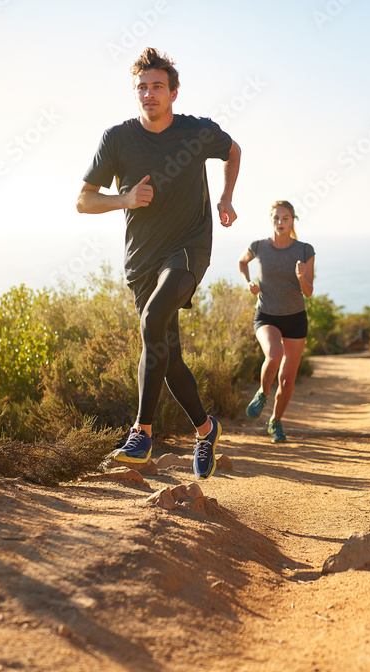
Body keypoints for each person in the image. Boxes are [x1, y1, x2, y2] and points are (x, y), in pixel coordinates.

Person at [76, 47, 241, 479]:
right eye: (142, 88)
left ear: (174, 92)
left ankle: (141, 433)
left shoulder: (197, 132)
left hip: (188, 249)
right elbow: (83, 200)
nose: (149, 94)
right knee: (166, 359)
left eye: (157, 87)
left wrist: (225, 198)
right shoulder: (117, 138)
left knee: (152, 323)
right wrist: (124, 199)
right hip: (141, 261)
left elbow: (233, 150)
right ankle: (206, 430)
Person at [237, 200, 314, 443]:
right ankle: (262, 393)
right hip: (267, 314)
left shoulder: (304, 250)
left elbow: (309, 291)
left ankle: (275, 422)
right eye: (276, 218)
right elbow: (242, 262)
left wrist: (301, 277)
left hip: (295, 318)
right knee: (274, 354)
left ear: (293, 221)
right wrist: (248, 282)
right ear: (271, 221)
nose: (280, 223)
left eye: (285, 218)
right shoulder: (258, 246)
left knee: (287, 379)